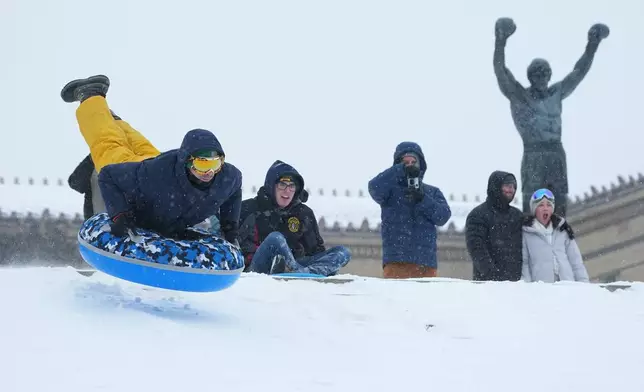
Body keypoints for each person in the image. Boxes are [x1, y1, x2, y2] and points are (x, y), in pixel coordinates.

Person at [60, 74, 242, 242]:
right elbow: (108, 175)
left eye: (215, 164)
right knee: (107, 143)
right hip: (135, 173)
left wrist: (230, 226)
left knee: (134, 140)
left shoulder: (228, 178)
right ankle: (90, 95)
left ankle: (107, 114)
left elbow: (234, 191)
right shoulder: (155, 177)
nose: (209, 172)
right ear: (187, 161)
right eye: (201, 165)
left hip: (156, 163)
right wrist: (120, 215)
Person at [493, 17, 610, 217]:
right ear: (531, 77)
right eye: (538, 74)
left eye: (546, 74)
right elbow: (500, 70)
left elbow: (578, 71)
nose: (542, 78)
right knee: (534, 204)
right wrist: (500, 41)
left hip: (555, 153)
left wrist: (592, 44)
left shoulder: (557, 93)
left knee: (559, 202)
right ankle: (532, 241)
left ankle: (560, 239)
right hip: (534, 154)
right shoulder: (520, 96)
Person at [238, 160, 351, 276]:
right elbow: (233, 243)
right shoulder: (248, 208)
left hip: (297, 265)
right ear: (272, 185)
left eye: (292, 186)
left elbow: (316, 251)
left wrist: (325, 265)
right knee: (275, 239)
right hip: (258, 267)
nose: (287, 191)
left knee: (343, 252)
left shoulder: (304, 214)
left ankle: (306, 273)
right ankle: (297, 272)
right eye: (282, 185)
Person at [368, 142, 451, 278]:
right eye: (405, 162)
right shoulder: (390, 191)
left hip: (426, 263)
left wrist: (422, 198)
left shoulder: (431, 192)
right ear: (398, 164)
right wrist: (399, 170)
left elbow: (443, 216)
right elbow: (374, 187)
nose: (410, 165)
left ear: (421, 165)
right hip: (396, 261)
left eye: (414, 162)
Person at [465, 170, 524, 281]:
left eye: (513, 186)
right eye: (507, 186)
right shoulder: (478, 215)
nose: (511, 190)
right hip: (488, 285)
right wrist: (493, 277)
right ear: (496, 187)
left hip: (516, 285)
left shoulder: (518, 216)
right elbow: (477, 250)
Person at [521, 188, 589, 283]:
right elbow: (525, 265)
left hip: (568, 286)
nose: (545, 208)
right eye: (541, 205)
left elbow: (576, 262)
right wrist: (528, 289)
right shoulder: (527, 233)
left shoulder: (562, 229)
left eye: (549, 205)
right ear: (535, 210)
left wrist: (584, 285)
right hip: (543, 289)